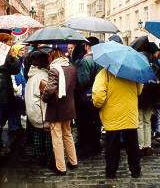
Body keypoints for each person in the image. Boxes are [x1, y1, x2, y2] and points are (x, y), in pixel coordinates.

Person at [92, 68, 143, 179]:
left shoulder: (104, 73)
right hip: (130, 113)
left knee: (112, 145)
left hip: (112, 114)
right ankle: (136, 171)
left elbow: (98, 96)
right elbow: (139, 90)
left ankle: (111, 172)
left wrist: (98, 105)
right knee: (132, 144)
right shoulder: (133, 72)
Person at [41, 47, 78, 175]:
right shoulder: (71, 67)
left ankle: (61, 167)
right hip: (68, 106)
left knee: (57, 137)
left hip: (56, 108)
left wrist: (43, 95)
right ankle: (73, 161)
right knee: (68, 134)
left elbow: (50, 89)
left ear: (53, 55)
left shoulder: (54, 69)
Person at [25, 51, 53, 167]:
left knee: (37, 133)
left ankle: (38, 157)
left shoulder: (32, 74)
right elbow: (45, 95)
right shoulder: (42, 76)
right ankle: (47, 158)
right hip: (41, 110)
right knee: (46, 134)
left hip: (32, 110)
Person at [75, 37, 102, 159]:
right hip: (98, 95)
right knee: (96, 122)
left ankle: (86, 148)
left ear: (86, 46)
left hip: (85, 97)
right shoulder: (101, 60)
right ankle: (96, 145)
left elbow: (83, 81)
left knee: (85, 123)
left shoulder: (85, 61)